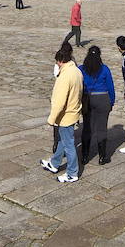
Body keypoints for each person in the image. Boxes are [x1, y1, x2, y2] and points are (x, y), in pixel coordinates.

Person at [40, 43, 83, 183]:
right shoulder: (77, 71)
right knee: (63, 142)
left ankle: (72, 172)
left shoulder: (65, 76)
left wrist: (51, 119)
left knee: (69, 145)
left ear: (60, 61)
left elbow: (59, 101)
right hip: (74, 111)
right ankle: (54, 163)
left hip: (66, 115)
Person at [79, 45, 116, 167]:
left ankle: (84, 156)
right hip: (102, 98)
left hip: (87, 99)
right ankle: (102, 156)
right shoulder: (104, 69)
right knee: (102, 128)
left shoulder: (82, 69)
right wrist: (111, 102)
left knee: (87, 128)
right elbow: (110, 87)